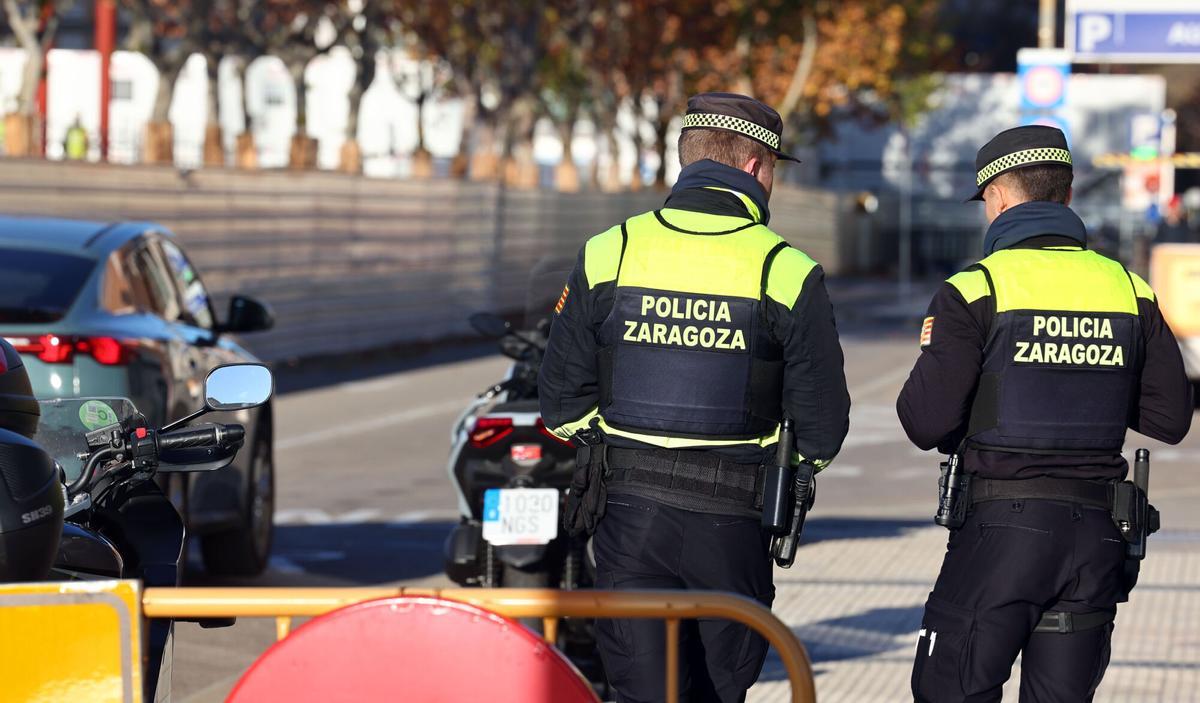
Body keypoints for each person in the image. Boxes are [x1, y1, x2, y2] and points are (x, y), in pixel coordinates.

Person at [538, 92, 850, 703]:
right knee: (718, 692)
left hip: (628, 518)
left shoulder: (611, 250)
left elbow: (561, 404)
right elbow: (821, 427)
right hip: (734, 525)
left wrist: (621, 447)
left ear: (687, 158)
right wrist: (780, 468)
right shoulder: (786, 268)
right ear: (758, 168)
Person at [897, 125, 1193, 702]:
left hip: (1000, 533)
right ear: (1067, 194)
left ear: (1000, 199)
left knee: (950, 689)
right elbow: (1171, 418)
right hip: (1096, 539)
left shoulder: (977, 288)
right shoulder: (1128, 289)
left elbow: (924, 421)